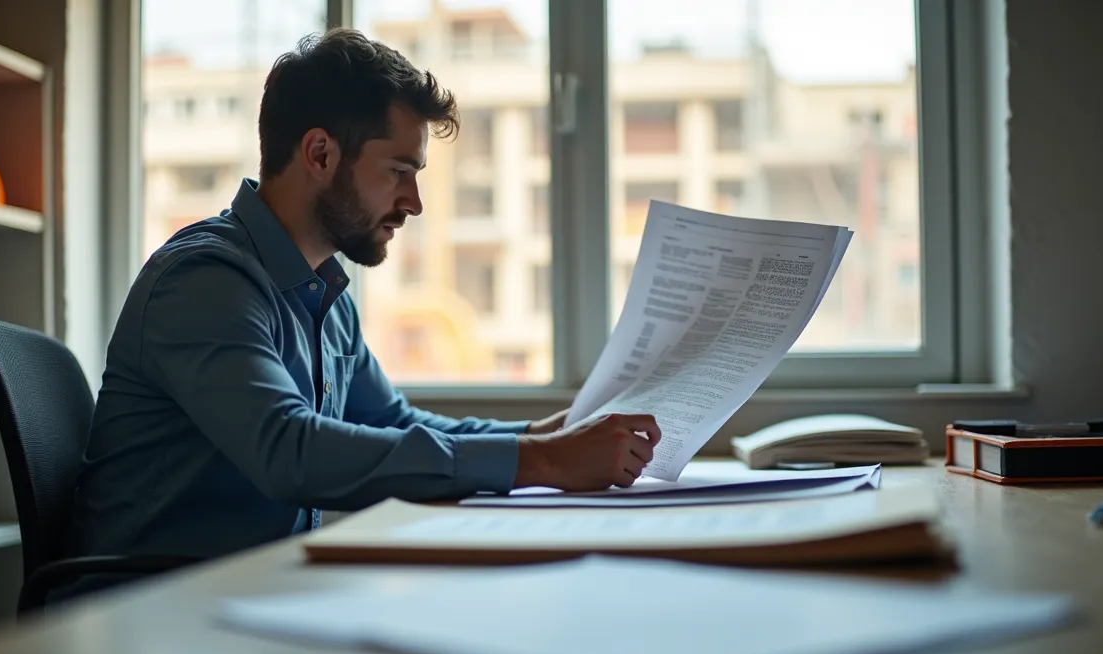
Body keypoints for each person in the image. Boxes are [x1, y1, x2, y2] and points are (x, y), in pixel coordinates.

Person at [66, 28, 661, 570]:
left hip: (249, 591)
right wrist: (545, 461)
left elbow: (392, 421)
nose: (414, 203)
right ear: (320, 154)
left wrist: (540, 434)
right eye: (398, 171)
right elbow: (289, 450)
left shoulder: (324, 293)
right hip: (142, 607)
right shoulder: (203, 280)